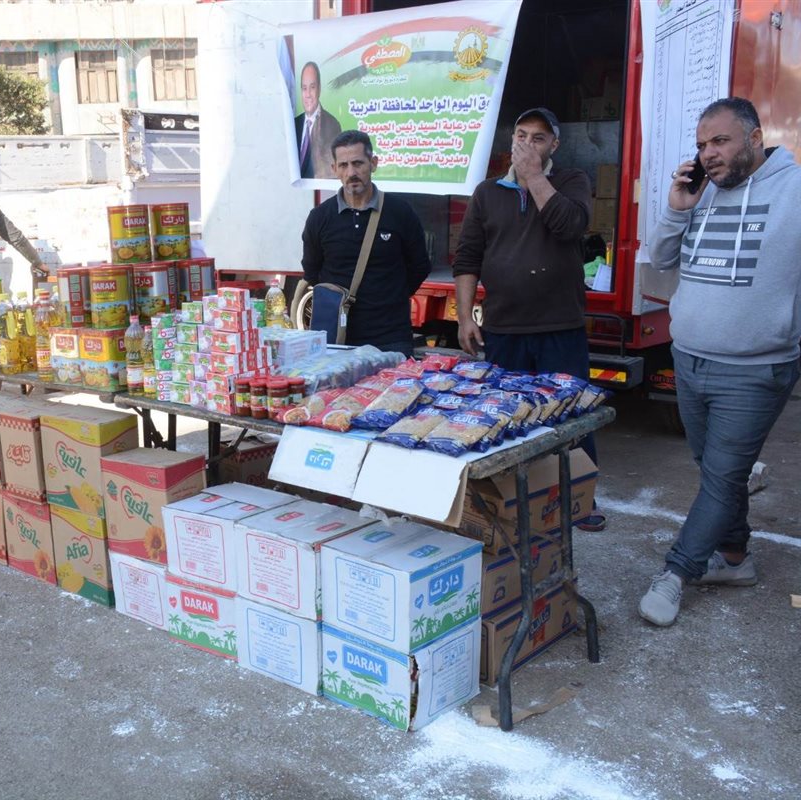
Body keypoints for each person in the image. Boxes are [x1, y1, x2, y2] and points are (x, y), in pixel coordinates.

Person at [638, 97, 801, 627]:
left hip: (755, 370)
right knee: (717, 473)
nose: (708, 154)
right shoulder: (702, 192)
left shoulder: (794, 192)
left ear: (755, 139)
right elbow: (660, 260)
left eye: (721, 141)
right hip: (689, 359)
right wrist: (677, 208)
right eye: (702, 144)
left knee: (723, 474)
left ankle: (677, 571)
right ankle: (734, 559)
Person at [452, 107, 606, 531]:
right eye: (521, 135)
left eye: (538, 138)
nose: (527, 144)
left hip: (560, 326)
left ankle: (581, 500)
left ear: (554, 144)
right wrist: (464, 318)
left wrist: (534, 176)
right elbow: (467, 258)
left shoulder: (571, 181)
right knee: (505, 417)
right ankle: (510, 500)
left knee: (571, 416)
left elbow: (569, 226)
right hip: (504, 328)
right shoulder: (487, 192)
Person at [300, 130, 431, 354]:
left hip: (391, 339)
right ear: (334, 169)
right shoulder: (320, 217)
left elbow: (420, 266)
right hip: (338, 339)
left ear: (373, 163)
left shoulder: (400, 212)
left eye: (358, 163)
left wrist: (390, 297)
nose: (351, 172)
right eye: (343, 165)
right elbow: (312, 272)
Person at [295, 62, 342, 180]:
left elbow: (330, 172)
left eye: (312, 87)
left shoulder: (332, 125)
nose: (308, 95)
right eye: (304, 88)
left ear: (319, 89)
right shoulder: (295, 124)